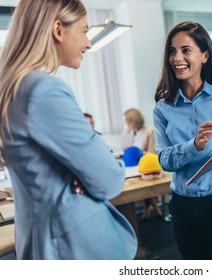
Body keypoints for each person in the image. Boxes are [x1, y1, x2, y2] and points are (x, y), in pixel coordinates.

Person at [0, 0, 137, 260]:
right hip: (72, 246)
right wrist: (93, 168)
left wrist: (82, 171)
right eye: (85, 30)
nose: (89, 43)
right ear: (58, 30)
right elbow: (109, 180)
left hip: (41, 240)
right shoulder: (44, 90)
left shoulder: (14, 90)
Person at [153, 21, 212, 260]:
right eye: (172, 51)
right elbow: (164, 160)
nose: (177, 58)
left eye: (186, 50)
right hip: (183, 210)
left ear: (205, 55)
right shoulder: (163, 109)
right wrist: (194, 145)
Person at [123, 108, 163, 220]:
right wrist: (127, 132)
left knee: (144, 182)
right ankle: (154, 208)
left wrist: (138, 154)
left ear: (133, 120)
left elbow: (152, 151)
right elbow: (123, 148)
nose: (125, 123)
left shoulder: (149, 131)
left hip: (146, 164)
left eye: (127, 120)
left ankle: (150, 209)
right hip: (132, 165)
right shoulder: (130, 132)